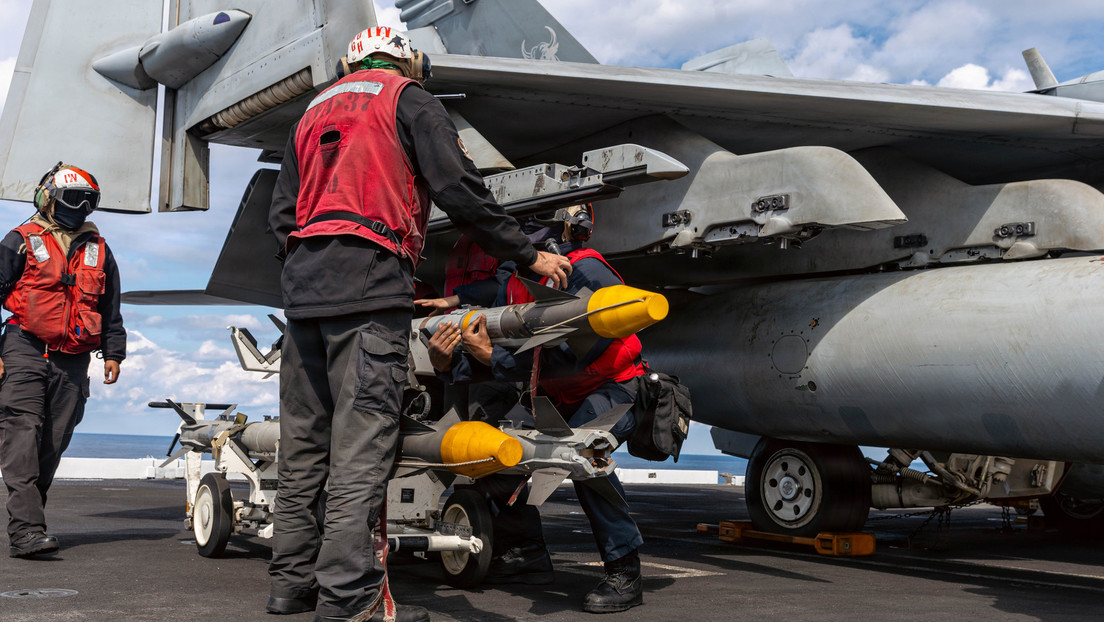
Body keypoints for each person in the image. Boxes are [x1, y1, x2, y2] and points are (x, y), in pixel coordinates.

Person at [265, 26, 572, 622]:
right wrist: (525, 253)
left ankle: (289, 585)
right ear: (408, 61)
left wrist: (310, 271)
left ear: (351, 62)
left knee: (302, 450)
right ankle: (350, 600)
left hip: (303, 297)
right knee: (360, 452)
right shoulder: (407, 98)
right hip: (369, 288)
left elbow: (282, 217)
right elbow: (460, 188)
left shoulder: (311, 112)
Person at [428, 205, 647, 613]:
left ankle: (625, 570)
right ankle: (524, 554)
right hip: (555, 397)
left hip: (613, 388)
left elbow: (573, 356)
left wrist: (490, 356)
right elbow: (494, 353)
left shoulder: (587, 272)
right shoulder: (514, 283)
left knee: (585, 455)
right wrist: (446, 364)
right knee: (493, 450)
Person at [0, 162, 126, 559]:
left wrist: (114, 352)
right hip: (24, 348)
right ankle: (27, 531)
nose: (81, 207)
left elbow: (110, 306)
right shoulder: (19, 240)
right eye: (74, 198)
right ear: (49, 198)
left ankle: (28, 524)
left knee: (52, 444)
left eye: (89, 201)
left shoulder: (99, 250)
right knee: (22, 435)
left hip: (73, 360)